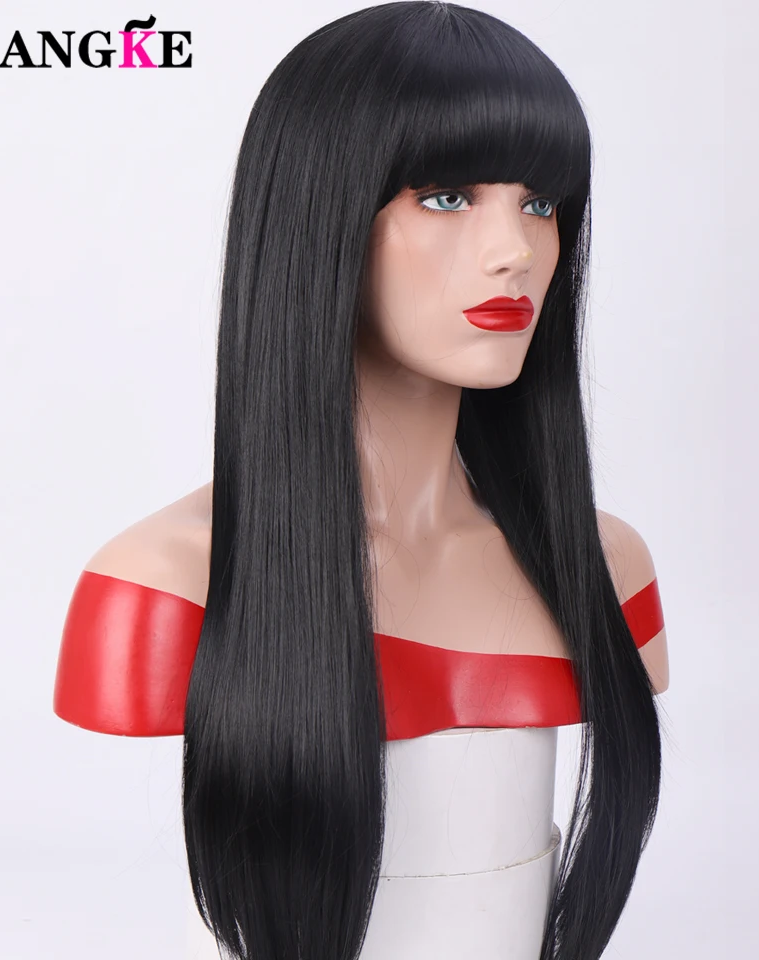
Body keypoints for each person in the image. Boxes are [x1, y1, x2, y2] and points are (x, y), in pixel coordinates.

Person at [53, 4, 670, 958]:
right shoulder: (166, 581)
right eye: (449, 197)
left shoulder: (603, 564)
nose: (515, 249)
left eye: (540, 203)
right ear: (320, 216)